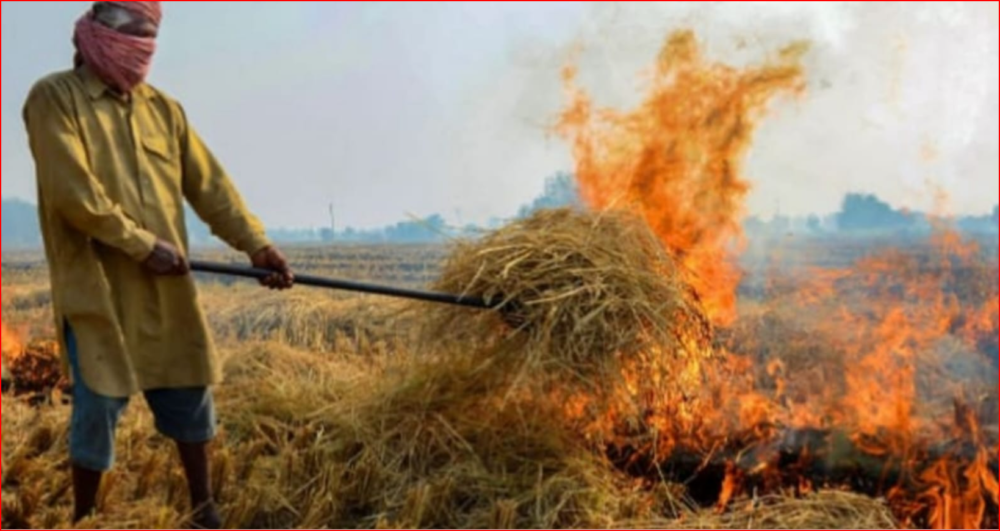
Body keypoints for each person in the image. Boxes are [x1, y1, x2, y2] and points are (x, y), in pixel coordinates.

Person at [21, 2, 295, 528]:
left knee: (189, 390)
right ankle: (85, 516)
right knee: (98, 404)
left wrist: (256, 246)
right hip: (97, 287)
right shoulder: (55, 98)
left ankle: (203, 507)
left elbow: (210, 188)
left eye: (150, 42)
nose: (142, 53)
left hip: (165, 287)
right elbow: (72, 194)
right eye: (133, 39)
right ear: (95, 37)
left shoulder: (164, 110)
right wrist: (141, 243)